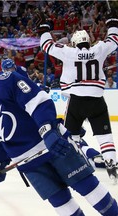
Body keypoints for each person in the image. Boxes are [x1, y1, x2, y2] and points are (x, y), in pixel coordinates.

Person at [0, 52, 118, 215]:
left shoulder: (7, 81)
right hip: (29, 164)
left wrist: (47, 132)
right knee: (60, 202)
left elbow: (39, 102)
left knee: (88, 187)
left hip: (53, 145)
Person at [38, 12, 118, 183]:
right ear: (89, 41)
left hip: (76, 101)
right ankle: (113, 169)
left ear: (74, 42)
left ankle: (75, 167)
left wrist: (44, 28)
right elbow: (114, 40)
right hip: (97, 100)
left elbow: (46, 45)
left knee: (71, 137)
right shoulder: (99, 48)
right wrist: (112, 23)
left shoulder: (69, 52)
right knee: (105, 137)